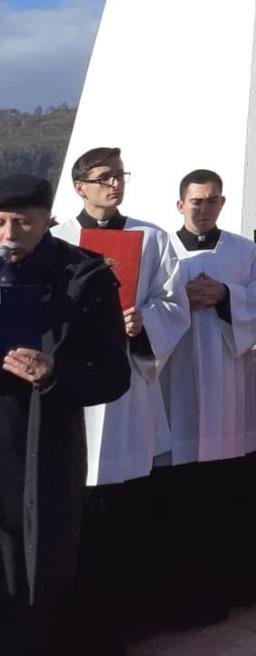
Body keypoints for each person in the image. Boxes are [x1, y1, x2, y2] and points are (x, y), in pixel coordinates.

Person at [52, 146, 190, 647]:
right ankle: (81, 619)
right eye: (104, 177)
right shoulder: (58, 239)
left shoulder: (152, 238)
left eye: (120, 176)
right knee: (80, 505)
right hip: (78, 390)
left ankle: (135, 614)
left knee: (132, 504)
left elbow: (173, 305)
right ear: (79, 187)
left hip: (129, 388)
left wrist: (141, 324)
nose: (115, 184)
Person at [0, 174, 130, 655]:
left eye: (22, 223)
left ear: (47, 220)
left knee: (42, 580)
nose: (9, 235)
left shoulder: (85, 276)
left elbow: (115, 375)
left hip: (43, 453)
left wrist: (56, 373)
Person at [158, 169, 256, 625]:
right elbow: (145, 305)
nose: (203, 209)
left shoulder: (244, 253)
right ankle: (184, 595)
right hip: (177, 385)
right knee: (181, 495)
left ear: (223, 204)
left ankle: (238, 586)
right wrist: (177, 301)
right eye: (196, 201)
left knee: (228, 489)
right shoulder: (161, 251)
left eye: (212, 201)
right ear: (180, 204)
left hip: (227, 385)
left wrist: (227, 295)